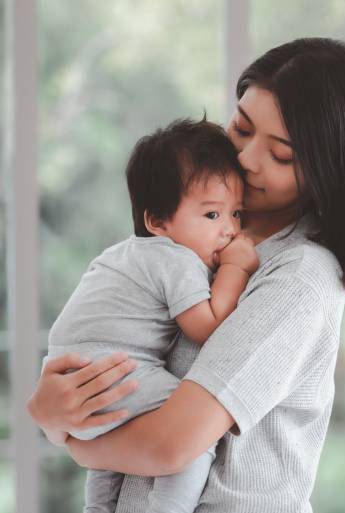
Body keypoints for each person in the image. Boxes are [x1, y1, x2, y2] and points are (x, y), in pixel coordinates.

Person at [27, 37, 345, 513]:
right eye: (241, 128)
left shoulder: (299, 278)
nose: (245, 159)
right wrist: (53, 411)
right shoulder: (197, 240)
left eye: (281, 154)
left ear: (330, 169)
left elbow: (171, 445)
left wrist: (72, 441)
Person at [43, 118, 260, 513]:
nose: (230, 230)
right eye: (212, 215)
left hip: (70, 370)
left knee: (115, 444)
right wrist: (236, 269)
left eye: (237, 215)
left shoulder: (123, 253)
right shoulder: (175, 259)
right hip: (112, 366)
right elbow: (207, 328)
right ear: (157, 221)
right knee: (193, 435)